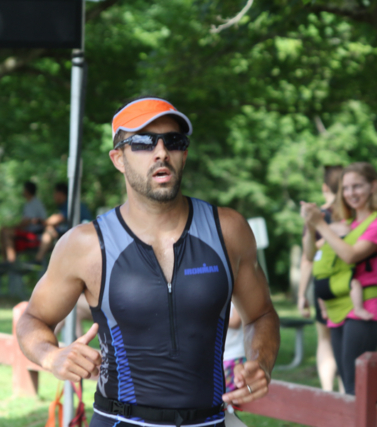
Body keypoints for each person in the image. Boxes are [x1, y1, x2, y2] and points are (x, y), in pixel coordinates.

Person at [16, 96, 280, 427]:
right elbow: (33, 319)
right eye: (142, 142)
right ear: (118, 159)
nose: (160, 152)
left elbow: (262, 314)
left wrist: (261, 362)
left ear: (184, 153)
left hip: (210, 422)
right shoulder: (85, 244)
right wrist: (51, 356)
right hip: (120, 421)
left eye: (173, 141)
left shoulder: (228, 230)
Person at [301, 162, 377, 395]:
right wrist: (310, 225)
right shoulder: (346, 226)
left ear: (373, 186)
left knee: (355, 387)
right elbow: (310, 254)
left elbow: (350, 255)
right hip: (338, 310)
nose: (351, 193)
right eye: (346, 188)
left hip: (366, 308)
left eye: (358, 186)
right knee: (347, 384)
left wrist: (321, 224)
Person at [297, 165, 344, 392]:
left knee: (325, 340)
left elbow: (308, 259)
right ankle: (346, 391)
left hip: (323, 285)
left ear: (325, 186)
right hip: (347, 283)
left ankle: (327, 390)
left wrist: (301, 295)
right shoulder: (352, 214)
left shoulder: (320, 215)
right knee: (344, 340)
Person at [34, 183, 92, 263]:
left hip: (82, 234)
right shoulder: (69, 204)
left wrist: (41, 221)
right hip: (79, 233)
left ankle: (38, 260)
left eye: (54, 193)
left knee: (48, 231)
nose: (53, 196)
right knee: (51, 230)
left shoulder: (70, 204)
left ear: (60, 193)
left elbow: (55, 219)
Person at [0, 181, 47, 263]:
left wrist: (12, 227)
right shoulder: (29, 203)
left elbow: (26, 223)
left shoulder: (34, 203)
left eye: (24, 189)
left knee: (6, 232)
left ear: (27, 191)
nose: (22, 191)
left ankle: (10, 261)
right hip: (29, 233)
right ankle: (5, 260)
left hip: (34, 235)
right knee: (2, 230)